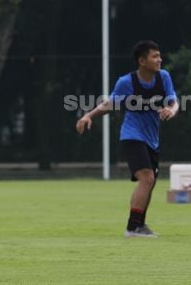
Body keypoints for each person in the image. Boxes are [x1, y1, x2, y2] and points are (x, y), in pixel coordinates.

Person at [76, 40, 178, 237]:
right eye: (155, 56)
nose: (160, 60)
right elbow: (109, 105)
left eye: (159, 55)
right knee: (147, 178)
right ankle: (132, 227)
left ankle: (140, 225)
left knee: (151, 181)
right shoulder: (127, 82)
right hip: (132, 135)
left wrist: (171, 111)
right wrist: (88, 115)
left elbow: (174, 102)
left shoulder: (163, 77)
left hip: (152, 139)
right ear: (142, 60)